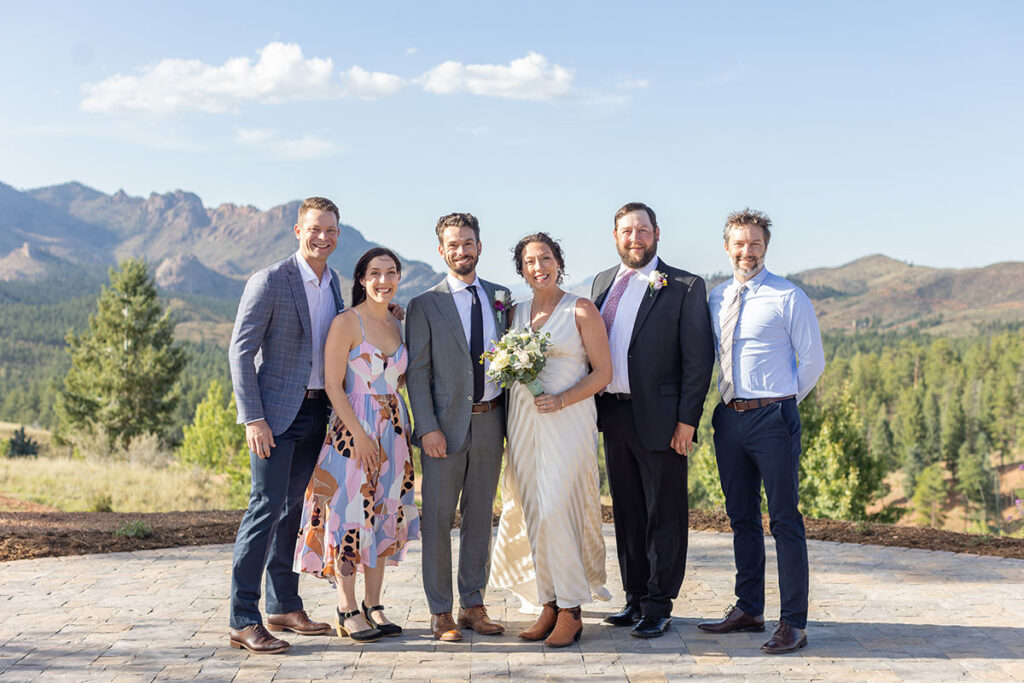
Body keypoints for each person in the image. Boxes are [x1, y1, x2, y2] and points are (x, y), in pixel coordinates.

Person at [698, 208, 825, 654]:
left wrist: (780, 404)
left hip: (774, 417)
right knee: (742, 518)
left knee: (785, 521)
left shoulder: (789, 297)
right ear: (727, 247)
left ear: (765, 247)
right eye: (739, 243)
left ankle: (794, 622)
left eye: (754, 243)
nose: (746, 251)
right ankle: (749, 607)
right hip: (729, 418)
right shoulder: (715, 298)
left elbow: (812, 362)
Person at [592, 201, 715, 639]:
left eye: (643, 229)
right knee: (627, 512)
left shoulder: (683, 285)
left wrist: (687, 421)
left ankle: (660, 604)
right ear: (616, 237)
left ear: (657, 233)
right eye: (627, 230)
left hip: (663, 420)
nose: (635, 237)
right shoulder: (604, 282)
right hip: (614, 414)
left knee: (664, 513)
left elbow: (699, 361)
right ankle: (635, 597)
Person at [227, 197, 345, 653]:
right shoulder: (271, 280)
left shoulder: (334, 283)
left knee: (294, 511)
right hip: (274, 418)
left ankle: (283, 604)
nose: (323, 237)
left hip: (318, 412)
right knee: (264, 509)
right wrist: (252, 417)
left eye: (331, 230)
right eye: (315, 228)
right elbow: (240, 351)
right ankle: (242, 617)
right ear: (298, 231)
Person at [489, 233, 613, 647]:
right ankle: (549, 602)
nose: (538, 266)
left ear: (559, 262)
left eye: (545, 258)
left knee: (560, 507)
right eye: (529, 261)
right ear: (520, 270)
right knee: (533, 510)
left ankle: (573, 609)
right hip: (524, 422)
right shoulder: (515, 313)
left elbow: (603, 373)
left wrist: (561, 400)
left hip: (568, 420)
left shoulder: (581, 309)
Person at [293, 247, 420, 643]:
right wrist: (362, 436)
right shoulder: (347, 322)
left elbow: (397, 381)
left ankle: (373, 602)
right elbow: (333, 384)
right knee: (350, 516)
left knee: (384, 514)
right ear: (362, 279)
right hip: (353, 432)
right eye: (375, 273)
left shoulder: (400, 324)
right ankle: (346, 607)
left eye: (391, 272)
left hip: (395, 433)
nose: (384, 280)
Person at [406, 212, 511, 642]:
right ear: (441, 250)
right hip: (443, 430)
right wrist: (426, 427)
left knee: (479, 515)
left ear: (479, 247)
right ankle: (440, 612)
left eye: (468, 243)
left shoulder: (502, 297)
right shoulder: (424, 304)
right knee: (436, 518)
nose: (461, 251)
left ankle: (472, 604)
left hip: (491, 423)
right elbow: (416, 373)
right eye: (453, 244)